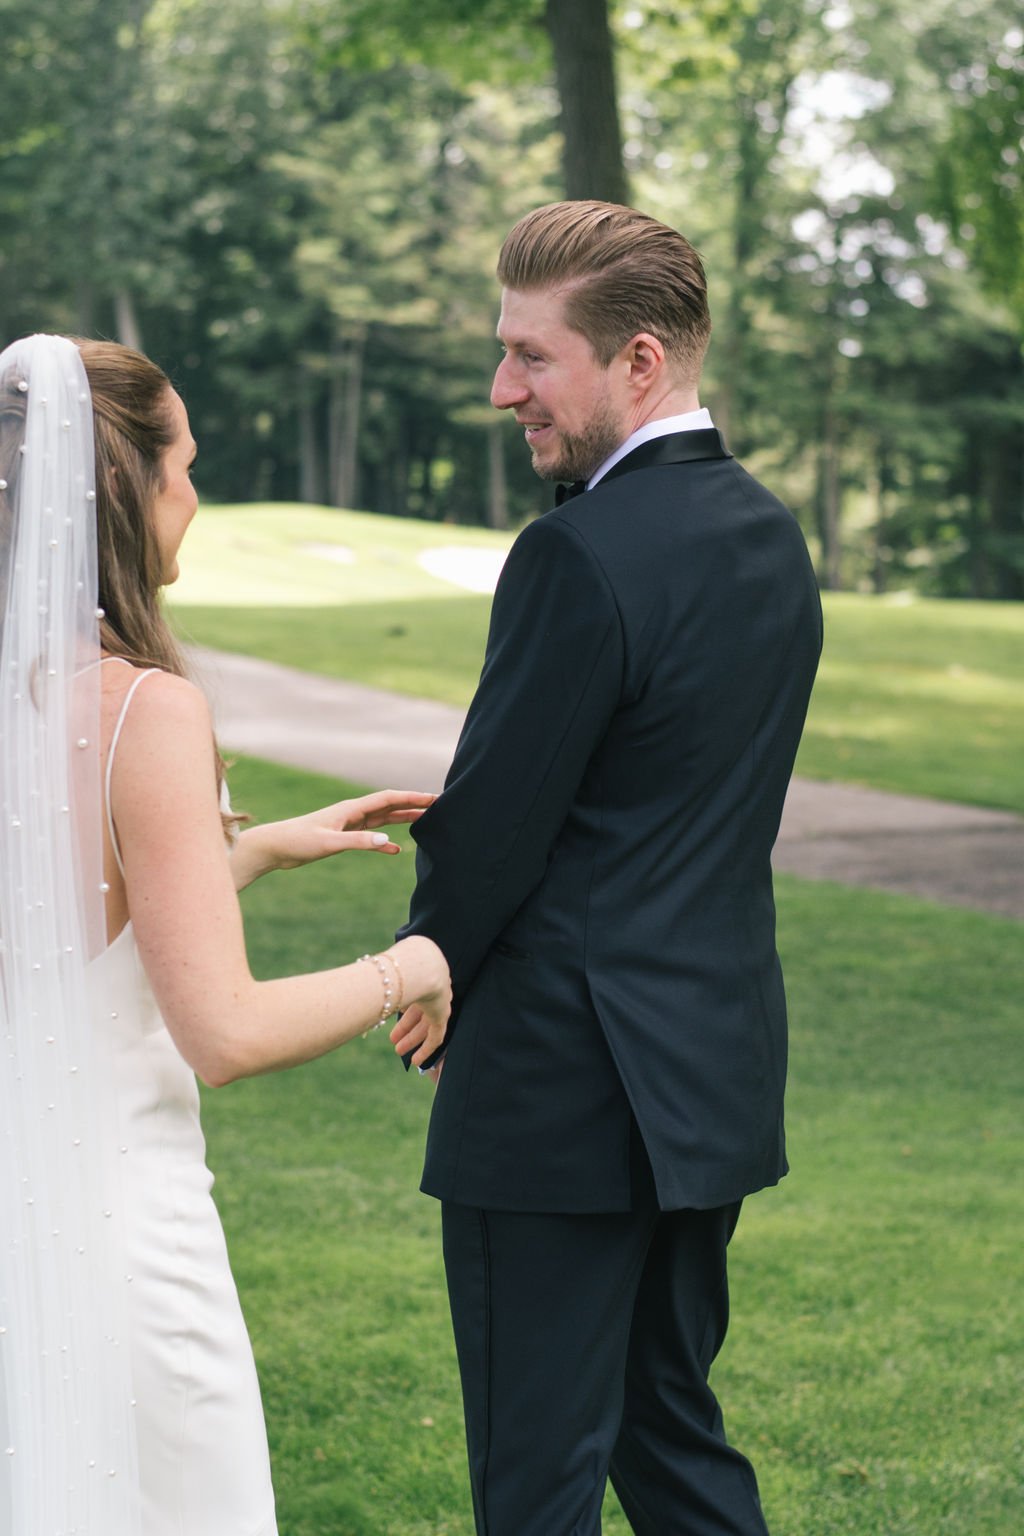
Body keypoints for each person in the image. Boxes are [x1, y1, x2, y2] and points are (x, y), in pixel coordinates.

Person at [394, 201, 823, 1535]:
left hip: (557, 1093)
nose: (501, 387)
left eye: (532, 356)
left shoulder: (573, 554)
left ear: (641, 360)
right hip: (708, 1077)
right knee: (670, 1436)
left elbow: (498, 825)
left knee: (535, 1486)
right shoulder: (769, 539)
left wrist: (432, 963)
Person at [0, 333, 450, 1536]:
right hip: (117, 1240)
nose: (194, 494)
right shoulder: (145, 710)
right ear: (124, 491)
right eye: (186, 464)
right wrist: (419, 960)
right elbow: (225, 1034)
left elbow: (47, 941)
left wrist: (242, 848)